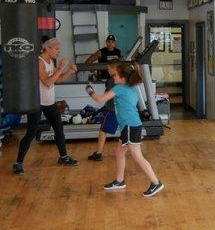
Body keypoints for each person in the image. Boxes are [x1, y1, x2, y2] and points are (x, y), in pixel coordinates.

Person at [85, 62, 164, 197]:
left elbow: (99, 99)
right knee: (119, 152)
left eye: (115, 75)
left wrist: (89, 90)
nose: (113, 77)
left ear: (123, 78)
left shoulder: (119, 88)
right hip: (131, 125)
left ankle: (156, 182)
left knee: (137, 156)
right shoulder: (132, 88)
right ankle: (119, 181)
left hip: (130, 126)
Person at [13, 37, 79, 175]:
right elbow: (48, 82)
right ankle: (18, 163)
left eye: (59, 49)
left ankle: (63, 157)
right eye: (56, 49)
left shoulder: (50, 61)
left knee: (59, 129)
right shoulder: (39, 62)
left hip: (49, 102)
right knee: (31, 133)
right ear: (47, 48)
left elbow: (58, 79)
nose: (58, 52)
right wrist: (61, 68)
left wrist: (69, 72)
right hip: (38, 103)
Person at [87, 60, 120, 162]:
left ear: (114, 69)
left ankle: (99, 153)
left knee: (103, 130)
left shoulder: (112, 80)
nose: (108, 70)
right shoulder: (123, 80)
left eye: (109, 69)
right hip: (120, 110)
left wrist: (89, 89)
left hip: (112, 110)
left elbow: (103, 97)